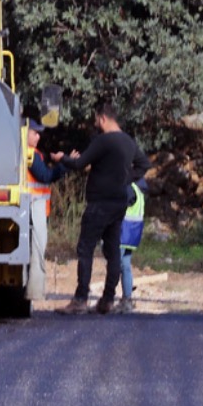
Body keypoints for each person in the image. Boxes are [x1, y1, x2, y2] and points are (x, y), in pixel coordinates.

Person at [59, 104, 147, 315]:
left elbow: (79, 163)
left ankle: (81, 299)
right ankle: (108, 299)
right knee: (113, 251)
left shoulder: (103, 141)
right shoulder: (128, 141)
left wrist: (62, 158)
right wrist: (126, 178)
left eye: (96, 119)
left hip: (99, 202)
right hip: (119, 203)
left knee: (85, 248)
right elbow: (144, 165)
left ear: (103, 118)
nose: (95, 123)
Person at [24, 121, 64, 302]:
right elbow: (46, 176)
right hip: (34, 209)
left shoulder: (17, 153)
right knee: (37, 251)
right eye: (35, 133)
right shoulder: (30, 154)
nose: (38, 137)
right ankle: (35, 292)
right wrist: (63, 165)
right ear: (24, 133)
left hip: (29, 208)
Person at [115, 177, 146, 313]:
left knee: (115, 265)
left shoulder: (128, 188)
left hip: (123, 231)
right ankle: (127, 299)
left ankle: (109, 299)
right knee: (125, 265)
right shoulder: (138, 187)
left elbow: (119, 207)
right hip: (133, 233)